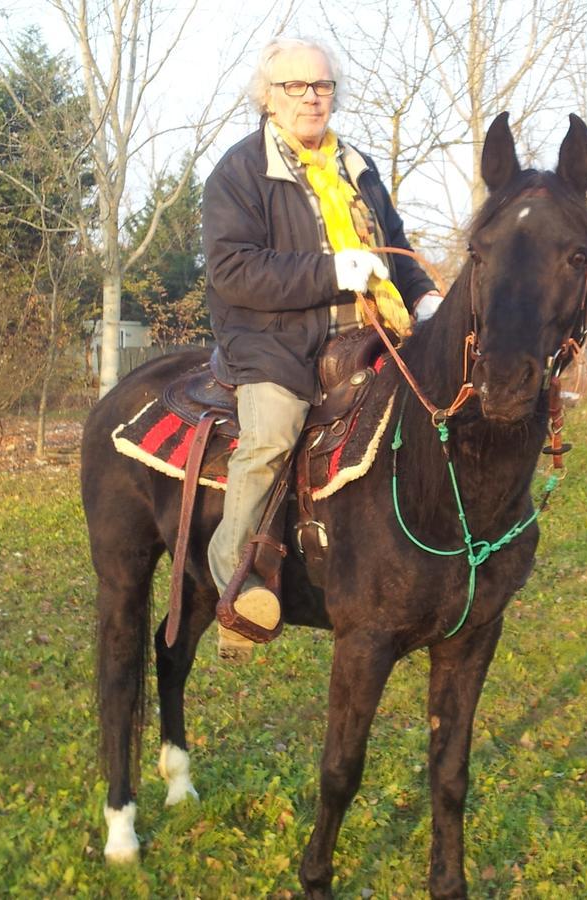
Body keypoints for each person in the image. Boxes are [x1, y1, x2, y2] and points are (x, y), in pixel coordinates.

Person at [202, 37, 441, 661]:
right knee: (274, 435)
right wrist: (332, 272)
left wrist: (423, 300)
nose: (312, 98)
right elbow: (234, 271)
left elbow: (393, 248)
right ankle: (234, 576)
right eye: (296, 87)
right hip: (272, 337)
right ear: (268, 96)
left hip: (370, 331)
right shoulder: (240, 171)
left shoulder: (355, 165)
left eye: (323, 86)